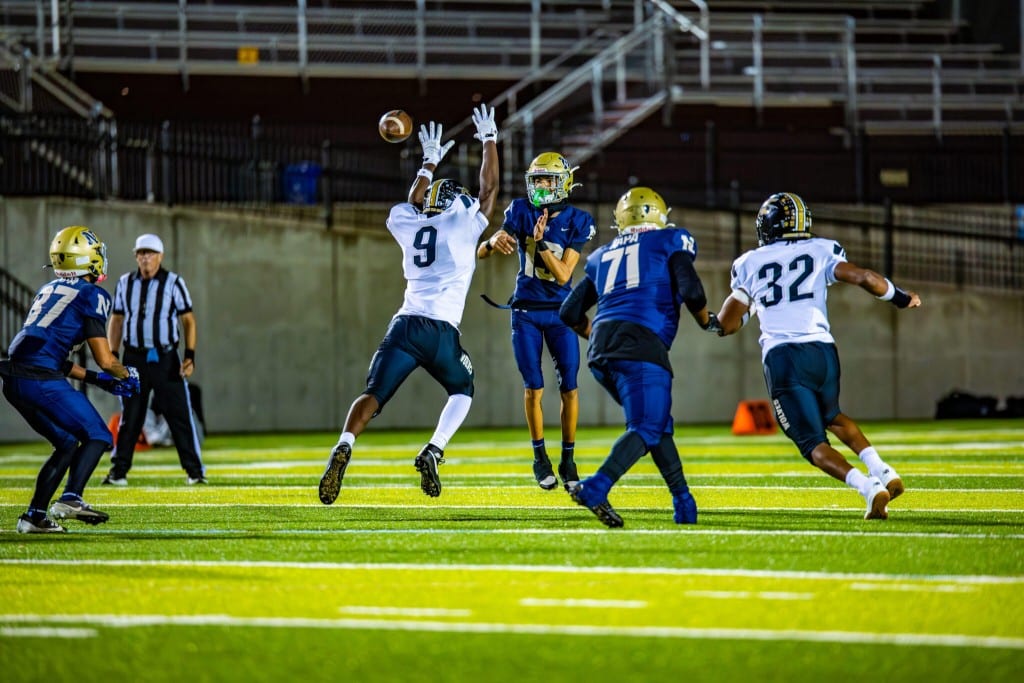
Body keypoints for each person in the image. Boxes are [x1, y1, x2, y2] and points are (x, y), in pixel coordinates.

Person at [318, 104, 499, 504]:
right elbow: (488, 192)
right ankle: (434, 448)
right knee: (463, 389)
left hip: (404, 326)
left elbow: (415, 199)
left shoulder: (407, 221)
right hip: (441, 333)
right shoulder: (462, 226)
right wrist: (489, 141)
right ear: (454, 203)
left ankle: (345, 442)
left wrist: (429, 162)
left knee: (373, 394)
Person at [713, 192, 920, 520]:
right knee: (833, 416)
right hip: (823, 352)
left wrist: (728, 316)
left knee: (811, 443)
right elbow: (865, 277)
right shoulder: (822, 248)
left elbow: (725, 324)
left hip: (784, 358)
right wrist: (900, 298)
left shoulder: (749, 263)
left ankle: (868, 488)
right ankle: (883, 470)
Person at [559, 187, 719, 527]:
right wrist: (708, 322)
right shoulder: (670, 240)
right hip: (641, 344)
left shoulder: (601, 255)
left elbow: (569, 311)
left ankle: (684, 502)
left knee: (657, 425)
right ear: (660, 215)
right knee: (647, 425)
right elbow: (691, 290)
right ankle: (598, 486)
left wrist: (598, 334)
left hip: (602, 349)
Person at [0, 226, 140, 533]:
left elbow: (51, 356)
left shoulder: (47, 290)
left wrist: (96, 379)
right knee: (100, 436)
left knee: (65, 443)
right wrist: (126, 373)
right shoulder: (93, 294)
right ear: (87, 259)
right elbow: (106, 359)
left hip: (14, 378)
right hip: (40, 379)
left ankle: (34, 516)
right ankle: (70, 498)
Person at [477, 152, 595, 491]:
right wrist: (490, 241)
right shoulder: (519, 210)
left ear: (564, 183)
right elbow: (481, 253)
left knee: (570, 387)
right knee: (534, 388)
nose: (541, 186)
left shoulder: (578, 219)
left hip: (561, 313)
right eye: (537, 180)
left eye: (548, 180)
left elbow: (562, 276)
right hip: (525, 311)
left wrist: (541, 241)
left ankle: (568, 459)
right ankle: (539, 457)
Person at [102, 233, 205, 485]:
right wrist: (112, 354)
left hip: (165, 356)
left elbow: (188, 320)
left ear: (160, 256)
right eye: (141, 253)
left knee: (179, 414)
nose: (145, 258)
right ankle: (118, 471)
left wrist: (189, 355)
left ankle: (194, 471)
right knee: (131, 415)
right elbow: (116, 320)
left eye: (149, 253)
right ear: (136, 256)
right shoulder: (125, 283)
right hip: (134, 357)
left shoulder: (173, 282)